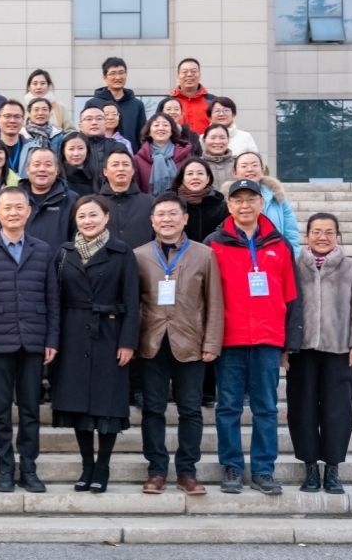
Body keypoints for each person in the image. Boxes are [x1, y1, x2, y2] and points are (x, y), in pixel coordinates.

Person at [206, 178, 302, 496]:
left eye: (251, 199)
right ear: (228, 205)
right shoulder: (214, 243)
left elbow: (292, 295)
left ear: (262, 203)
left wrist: (290, 343)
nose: (244, 205)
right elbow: (205, 296)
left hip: (268, 338)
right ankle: (232, 466)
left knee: (266, 408)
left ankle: (263, 469)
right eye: (238, 200)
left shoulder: (279, 244)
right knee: (228, 407)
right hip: (229, 339)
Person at [0, 187, 60, 494]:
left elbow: (52, 299)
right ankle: (5, 469)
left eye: (19, 207)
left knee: (31, 409)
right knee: (1, 410)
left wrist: (52, 338)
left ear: (28, 211)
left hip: (33, 340)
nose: (13, 213)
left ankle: (29, 468)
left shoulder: (43, 250)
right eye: (7, 207)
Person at [134, 193, 224, 496]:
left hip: (191, 342)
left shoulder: (204, 254)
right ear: (152, 221)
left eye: (173, 213)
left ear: (185, 218)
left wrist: (212, 342)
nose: (167, 219)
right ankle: (156, 470)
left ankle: (187, 471)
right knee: (153, 410)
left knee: (190, 410)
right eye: (161, 214)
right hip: (151, 342)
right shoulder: (139, 255)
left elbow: (214, 302)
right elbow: (134, 303)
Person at [51, 194, 140, 494]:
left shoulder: (122, 252)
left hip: (109, 333)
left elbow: (132, 300)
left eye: (93, 215)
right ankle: (86, 464)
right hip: (73, 334)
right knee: (78, 404)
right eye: (82, 216)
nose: (87, 221)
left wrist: (128, 342)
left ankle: (103, 465)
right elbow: (55, 299)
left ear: (106, 217)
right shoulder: (64, 253)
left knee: (107, 405)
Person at [289, 213, 352, 495]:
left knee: (338, 410)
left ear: (337, 235)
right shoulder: (295, 266)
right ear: (307, 235)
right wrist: (285, 347)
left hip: (339, 350)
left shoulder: (351, 268)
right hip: (302, 350)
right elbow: (286, 308)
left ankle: (333, 468)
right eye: (316, 231)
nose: (322, 237)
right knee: (302, 408)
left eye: (328, 232)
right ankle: (310, 468)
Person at [230, 151, 301, 254]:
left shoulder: (277, 197)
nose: (250, 169)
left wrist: (292, 255)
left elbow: (291, 232)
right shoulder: (227, 199)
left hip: (276, 255)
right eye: (244, 166)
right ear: (234, 172)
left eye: (255, 165)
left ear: (262, 169)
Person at [21, 148, 76, 251]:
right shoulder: (15, 198)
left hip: (58, 260)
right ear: (27, 169)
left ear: (57, 170)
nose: (42, 169)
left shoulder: (71, 200)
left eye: (48, 165)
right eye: (37, 165)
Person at [88, 57, 147, 153]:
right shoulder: (93, 104)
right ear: (104, 77)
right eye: (113, 73)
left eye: (121, 72)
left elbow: (142, 136)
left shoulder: (137, 104)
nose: (118, 77)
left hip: (130, 157)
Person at [100, 150, 154, 250]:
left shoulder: (150, 202)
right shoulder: (96, 204)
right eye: (115, 165)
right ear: (105, 172)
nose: (121, 169)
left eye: (125, 164)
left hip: (142, 259)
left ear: (133, 171)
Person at [171, 159, 228, 243]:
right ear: (182, 178)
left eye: (200, 173)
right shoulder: (172, 204)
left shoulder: (221, 206)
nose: (195, 177)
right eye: (190, 174)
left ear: (208, 178)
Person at [135, 113, 193, 195]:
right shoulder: (138, 159)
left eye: (165, 125)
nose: (161, 128)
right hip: (149, 202)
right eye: (156, 125)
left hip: (180, 201)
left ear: (172, 131)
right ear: (149, 131)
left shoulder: (185, 155)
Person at [171, 58, 215, 135]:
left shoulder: (212, 101)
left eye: (193, 71)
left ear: (200, 75)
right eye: (184, 72)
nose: (189, 75)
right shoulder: (169, 102)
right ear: (178, 76)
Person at [25, 69, 73, 133]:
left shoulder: (59, 107)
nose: (38, 87)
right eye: (35, 84)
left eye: (42, 83)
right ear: (29, 87)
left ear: (48, 86)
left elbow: (70, 131)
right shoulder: (22, 108)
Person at [60, 133, 97, 198]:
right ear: (63, 151)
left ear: (87, 150)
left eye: (80, 148)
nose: (76, 154)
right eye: (71, 149)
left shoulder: (97, 174)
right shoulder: (57, 176)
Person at [201, 123, 236, 190]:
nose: (217, 142)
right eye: (213, 138)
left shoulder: (238, 163)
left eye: (222, 138)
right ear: (204, 140)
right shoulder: (197, 164)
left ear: (228, 140)